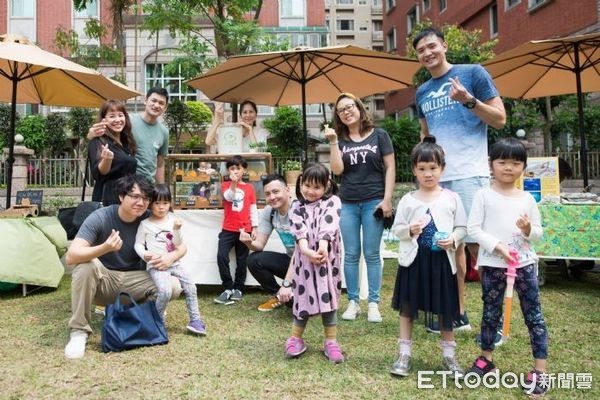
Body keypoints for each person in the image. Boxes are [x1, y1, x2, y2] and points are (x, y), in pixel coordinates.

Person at [413, 26, 506, 333]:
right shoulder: (422, 91)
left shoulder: (473, 73)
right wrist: (422, 172)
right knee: (449, 248)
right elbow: (426, 135)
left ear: (444, 45)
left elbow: (500, 118)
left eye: (431, 46)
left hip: (469, 174)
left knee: (481, 247)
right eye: (421, 51)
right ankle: (457, 313)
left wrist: (469, 101)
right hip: (437, 180)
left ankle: (494, 318)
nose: (427, 53)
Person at [64, 174, 184, 359]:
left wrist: (171, 257)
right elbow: (71, 256)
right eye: (135, 196)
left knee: (174, 284)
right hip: (104, 281)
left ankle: (142, 315)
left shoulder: (150, 218)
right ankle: (79, 331)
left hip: (135, 281)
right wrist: (104, 248)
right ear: (121, 196)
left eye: (145, 198)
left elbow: (182, 246)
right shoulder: (101, 217)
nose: (141, 202)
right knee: (86, 265)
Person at [466, 138, 548, 397]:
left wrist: (527, 230)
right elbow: (474, 229)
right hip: (492, 265)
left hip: (524, 266)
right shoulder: (483, 195)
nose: (508, 168)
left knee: (533, 316)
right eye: (502, 162)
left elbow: (537, 233)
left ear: (523, 166)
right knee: (490, 313)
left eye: (515, 163)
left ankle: (540, 371)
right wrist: (497, 246)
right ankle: (486, 359)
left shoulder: (527, 199)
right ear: (491, 164)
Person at [389, 137, 467, 378]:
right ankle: (404, 353)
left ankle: (449, 357)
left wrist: (453, 239)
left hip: (442, 263)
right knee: (408, 307)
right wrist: (409, 230)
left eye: (433, 168)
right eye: (422, 169)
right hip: (414, 262)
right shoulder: (408, 200)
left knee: (445, 308)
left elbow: (462, 227)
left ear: (442, 168)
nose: (428, 173)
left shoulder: (452, 198)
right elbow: (396, 228)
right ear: (414, 170)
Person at [325, 92, 395, 323]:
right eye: (341, 110)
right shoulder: (341, 140)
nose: (346, 112)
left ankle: (373, 303)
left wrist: (387, 199)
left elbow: (391, 168)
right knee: (352, 253)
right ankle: (353, 302)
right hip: (348, 202)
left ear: (359, 107)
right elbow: (337, 171)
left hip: (374, 201)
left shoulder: (380, 135)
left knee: (372, 254)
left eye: (349, 107)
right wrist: (334, 142)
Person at [278, 163, 345, 363]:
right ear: (300, 184)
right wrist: (307, 251)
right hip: (304, 261)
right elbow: (299, 232)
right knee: (303, 296)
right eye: (307, 185)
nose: (310, 191)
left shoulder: (333, 201)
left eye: (317, 187)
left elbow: (329, 225)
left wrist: (323, 247)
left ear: (326, 187)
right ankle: (295, 339)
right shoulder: (296, 206)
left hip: (327, 259)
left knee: (328, 296)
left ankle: (331, 342)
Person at [134, 184, 206, 335]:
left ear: (170, 204)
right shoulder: (145, 224)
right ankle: (157, 321)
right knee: (165, 291)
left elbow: (178, 244)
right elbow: (138, 244)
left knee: (191, 286)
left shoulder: (174, 220)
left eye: (165, 203)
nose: (161, 207)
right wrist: (144, 254)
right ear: (151, 204)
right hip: (156, 265)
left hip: (175, 263)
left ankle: (195, 320)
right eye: (157, 203)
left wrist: (177, 230)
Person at [239, 174, 297, 312]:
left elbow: (301, 253)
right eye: (268, 194)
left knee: (297, 306)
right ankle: (280, 296)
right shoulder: (269, 212)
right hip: (291, 261)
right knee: (254, 260)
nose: (272, 197)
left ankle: (296, 293)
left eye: (276, 192)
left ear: (287, 190)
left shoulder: (299, 210)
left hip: (309, 265)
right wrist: (248, 242)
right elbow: (259, 245)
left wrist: (287, 284)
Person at [89, 87, 169, 183]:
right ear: (146, 100)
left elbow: (160, 163)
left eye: (161, 103)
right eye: (154, 100)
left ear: (165, 107)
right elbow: (104, 133)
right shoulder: (128, 122)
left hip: (148, 184)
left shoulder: (164, 131)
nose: (156, 105)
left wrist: (161, 187)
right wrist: (91, 134)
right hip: (128, 183)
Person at [214, 155, 258, 305]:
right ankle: (227, 288)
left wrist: (255, 227)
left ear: (243, 169)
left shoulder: (250, 188)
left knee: (242, 259)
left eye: (238, 168)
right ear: (228, 170)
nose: (235, 171)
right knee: (222, 257)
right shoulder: (225, 185)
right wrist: (233, 183)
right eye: (232, 168)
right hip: (228, 228)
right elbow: (229, 197)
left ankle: (238, 288)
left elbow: (253, 208)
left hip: (245, 228)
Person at [88, 100, 137, 205]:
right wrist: (107, 159)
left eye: (120, 115)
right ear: (103, 120)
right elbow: (99, 173)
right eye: (112, 116)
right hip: (108, 198)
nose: (117, 120)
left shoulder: (127, 141)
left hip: (126, 196)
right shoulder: (98, 141)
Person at [205, 100, 269, 153]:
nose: (248, 115)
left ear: (255, 115)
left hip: (254, 167)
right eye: (245, 112)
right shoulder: (234, 130)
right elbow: (208, 141)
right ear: (240, 115)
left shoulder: (261, 132)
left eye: (251, 112)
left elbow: (258, 152)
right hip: (231, 166)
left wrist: (250, 130)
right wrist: (217, 122)